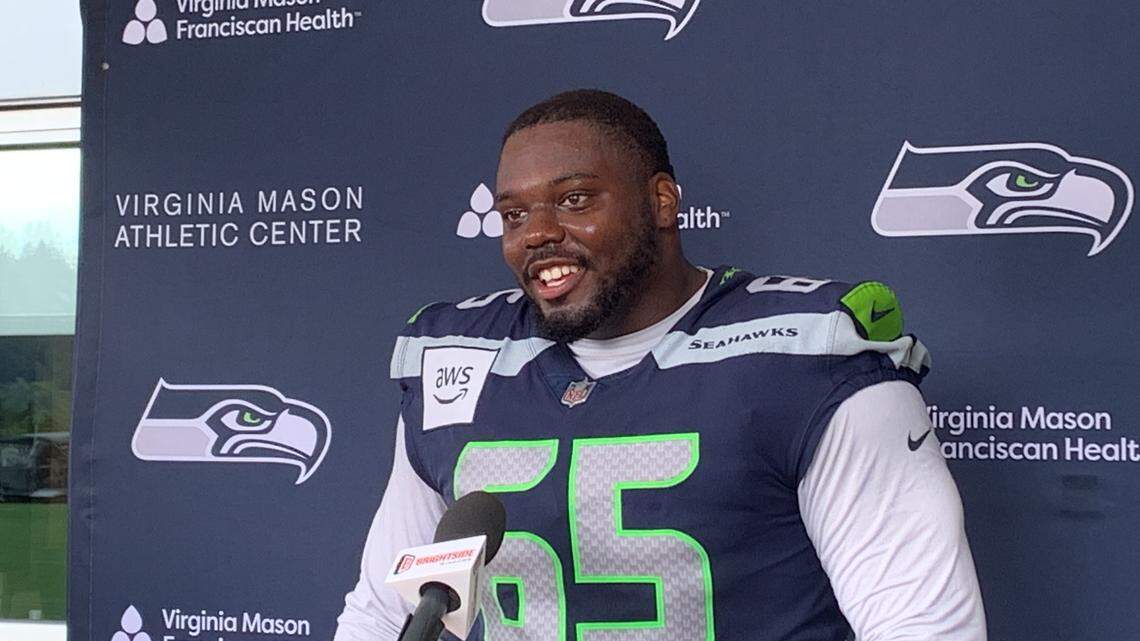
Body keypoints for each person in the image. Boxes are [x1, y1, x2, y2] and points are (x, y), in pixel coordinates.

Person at [335, 89, 986, 641]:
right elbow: (383, 609)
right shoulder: (456, 359)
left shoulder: (804, 358)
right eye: (512, 214)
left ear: (663, 201)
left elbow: (920, 624)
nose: (535, 232)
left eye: (575, 200)